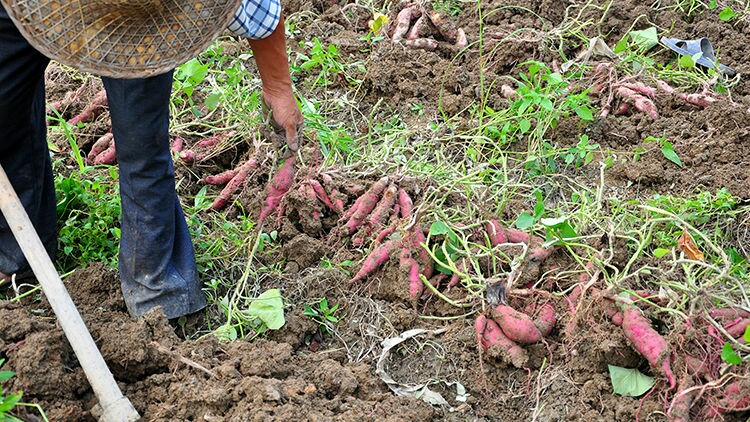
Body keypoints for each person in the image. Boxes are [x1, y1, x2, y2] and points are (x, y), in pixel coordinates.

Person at [0, 0, 303, 319]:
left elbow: (259, 11)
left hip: (143, 22)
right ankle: (15, 248)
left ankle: (158, 294)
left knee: (141, 146)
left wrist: (279, 88)